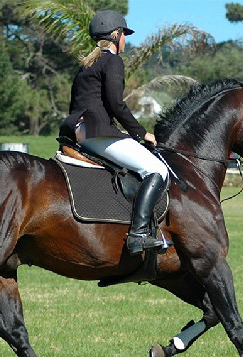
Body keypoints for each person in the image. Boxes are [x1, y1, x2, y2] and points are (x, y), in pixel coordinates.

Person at [60, 10, 169, 255]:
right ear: (116, 35)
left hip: (79, 132)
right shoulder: (112, 61)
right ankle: (138, 234)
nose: (125, 41)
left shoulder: (86, 65)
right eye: (124, 35)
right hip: (97, 133)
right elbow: (116, 104)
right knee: (157, 169)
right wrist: (141, 133)